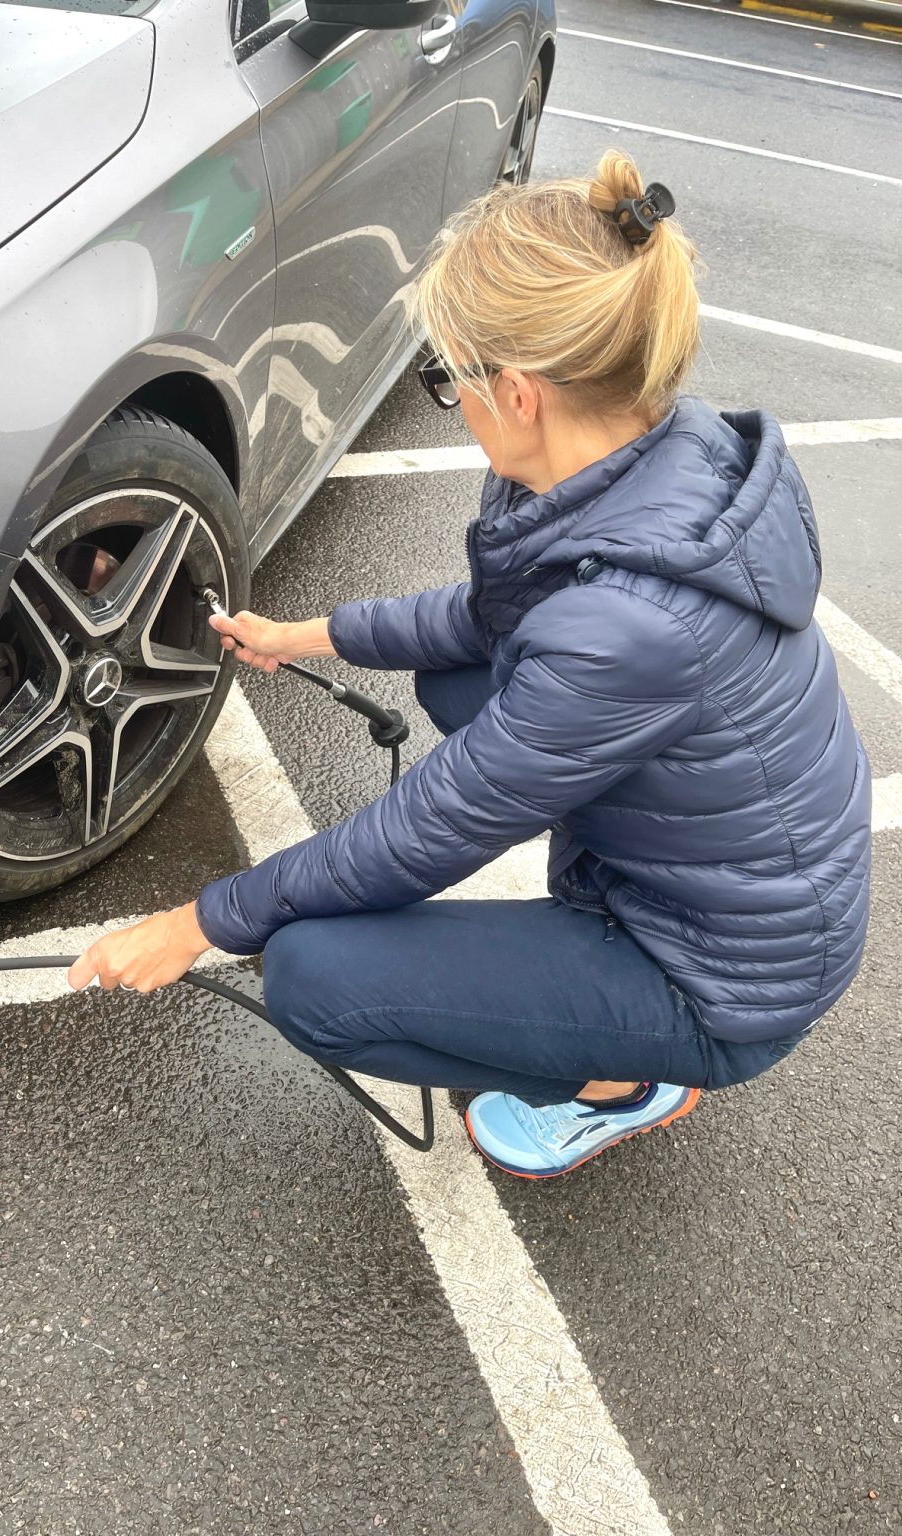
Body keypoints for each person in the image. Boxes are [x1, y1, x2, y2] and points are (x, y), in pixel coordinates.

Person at [69, 152, 872, 1179]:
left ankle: (623, 1083)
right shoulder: (650, 455)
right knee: (459, 681)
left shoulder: (629, 629)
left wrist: (195, 925)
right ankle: (597, 1004)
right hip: (719, 875)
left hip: (723, 978)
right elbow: (489, 620)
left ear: (521, 394)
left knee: (314, 975)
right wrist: (302, 634)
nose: (451, 395)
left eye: (450, 380)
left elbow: (427, 831)